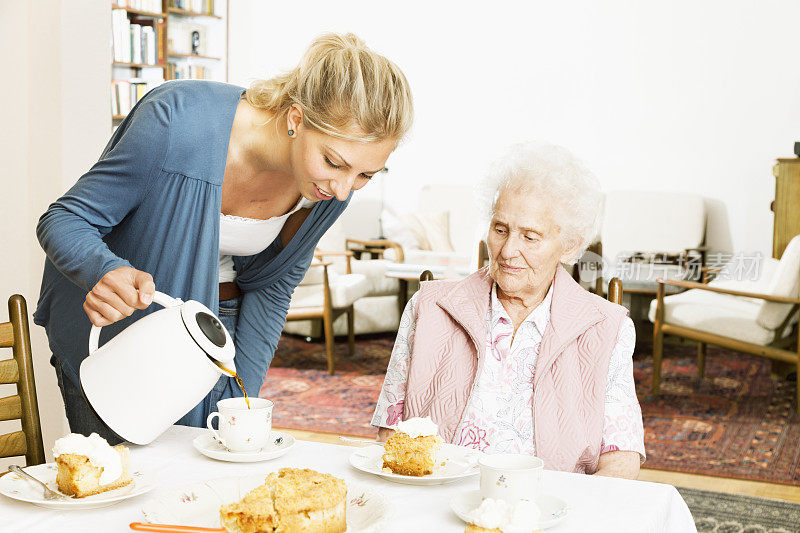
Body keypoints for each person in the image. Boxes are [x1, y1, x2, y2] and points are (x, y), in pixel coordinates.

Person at [35, 33, 413, 443]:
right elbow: (64, 218)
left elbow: (274, 285)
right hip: (118, 329)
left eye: (365, 175)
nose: (343, 190)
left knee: (202, 486)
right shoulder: (176, 121)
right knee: (119, 482)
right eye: (334, 162)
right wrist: (102, 270)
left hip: (217, 329)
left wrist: (242, 391)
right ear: (297, 118)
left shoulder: (327, 191)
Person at [372, 142, 645, 478]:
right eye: (500, 230)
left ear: (571, 246)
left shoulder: (607, 328)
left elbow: (621, 455)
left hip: (550, 512)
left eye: (530, 237)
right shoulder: (429, 308)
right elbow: (390, 434)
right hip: (437, 496)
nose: (508, 250)